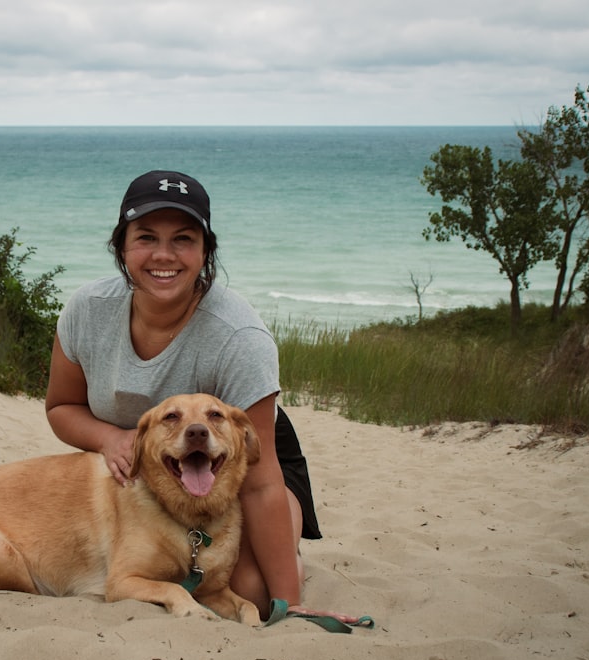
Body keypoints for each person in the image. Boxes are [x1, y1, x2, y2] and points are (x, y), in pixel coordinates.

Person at [45, 170, 358, 623]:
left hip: (243, 460)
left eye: (184, 240)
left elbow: (263, 478)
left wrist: (291, 605)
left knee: (252, 591)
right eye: (146, 237)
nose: (164, 255)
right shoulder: (87, 310)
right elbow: (61, 407)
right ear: (122, 247)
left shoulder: (238, 335)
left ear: (206, 251)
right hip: (147, 470)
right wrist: (110, 438)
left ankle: (288, 557)